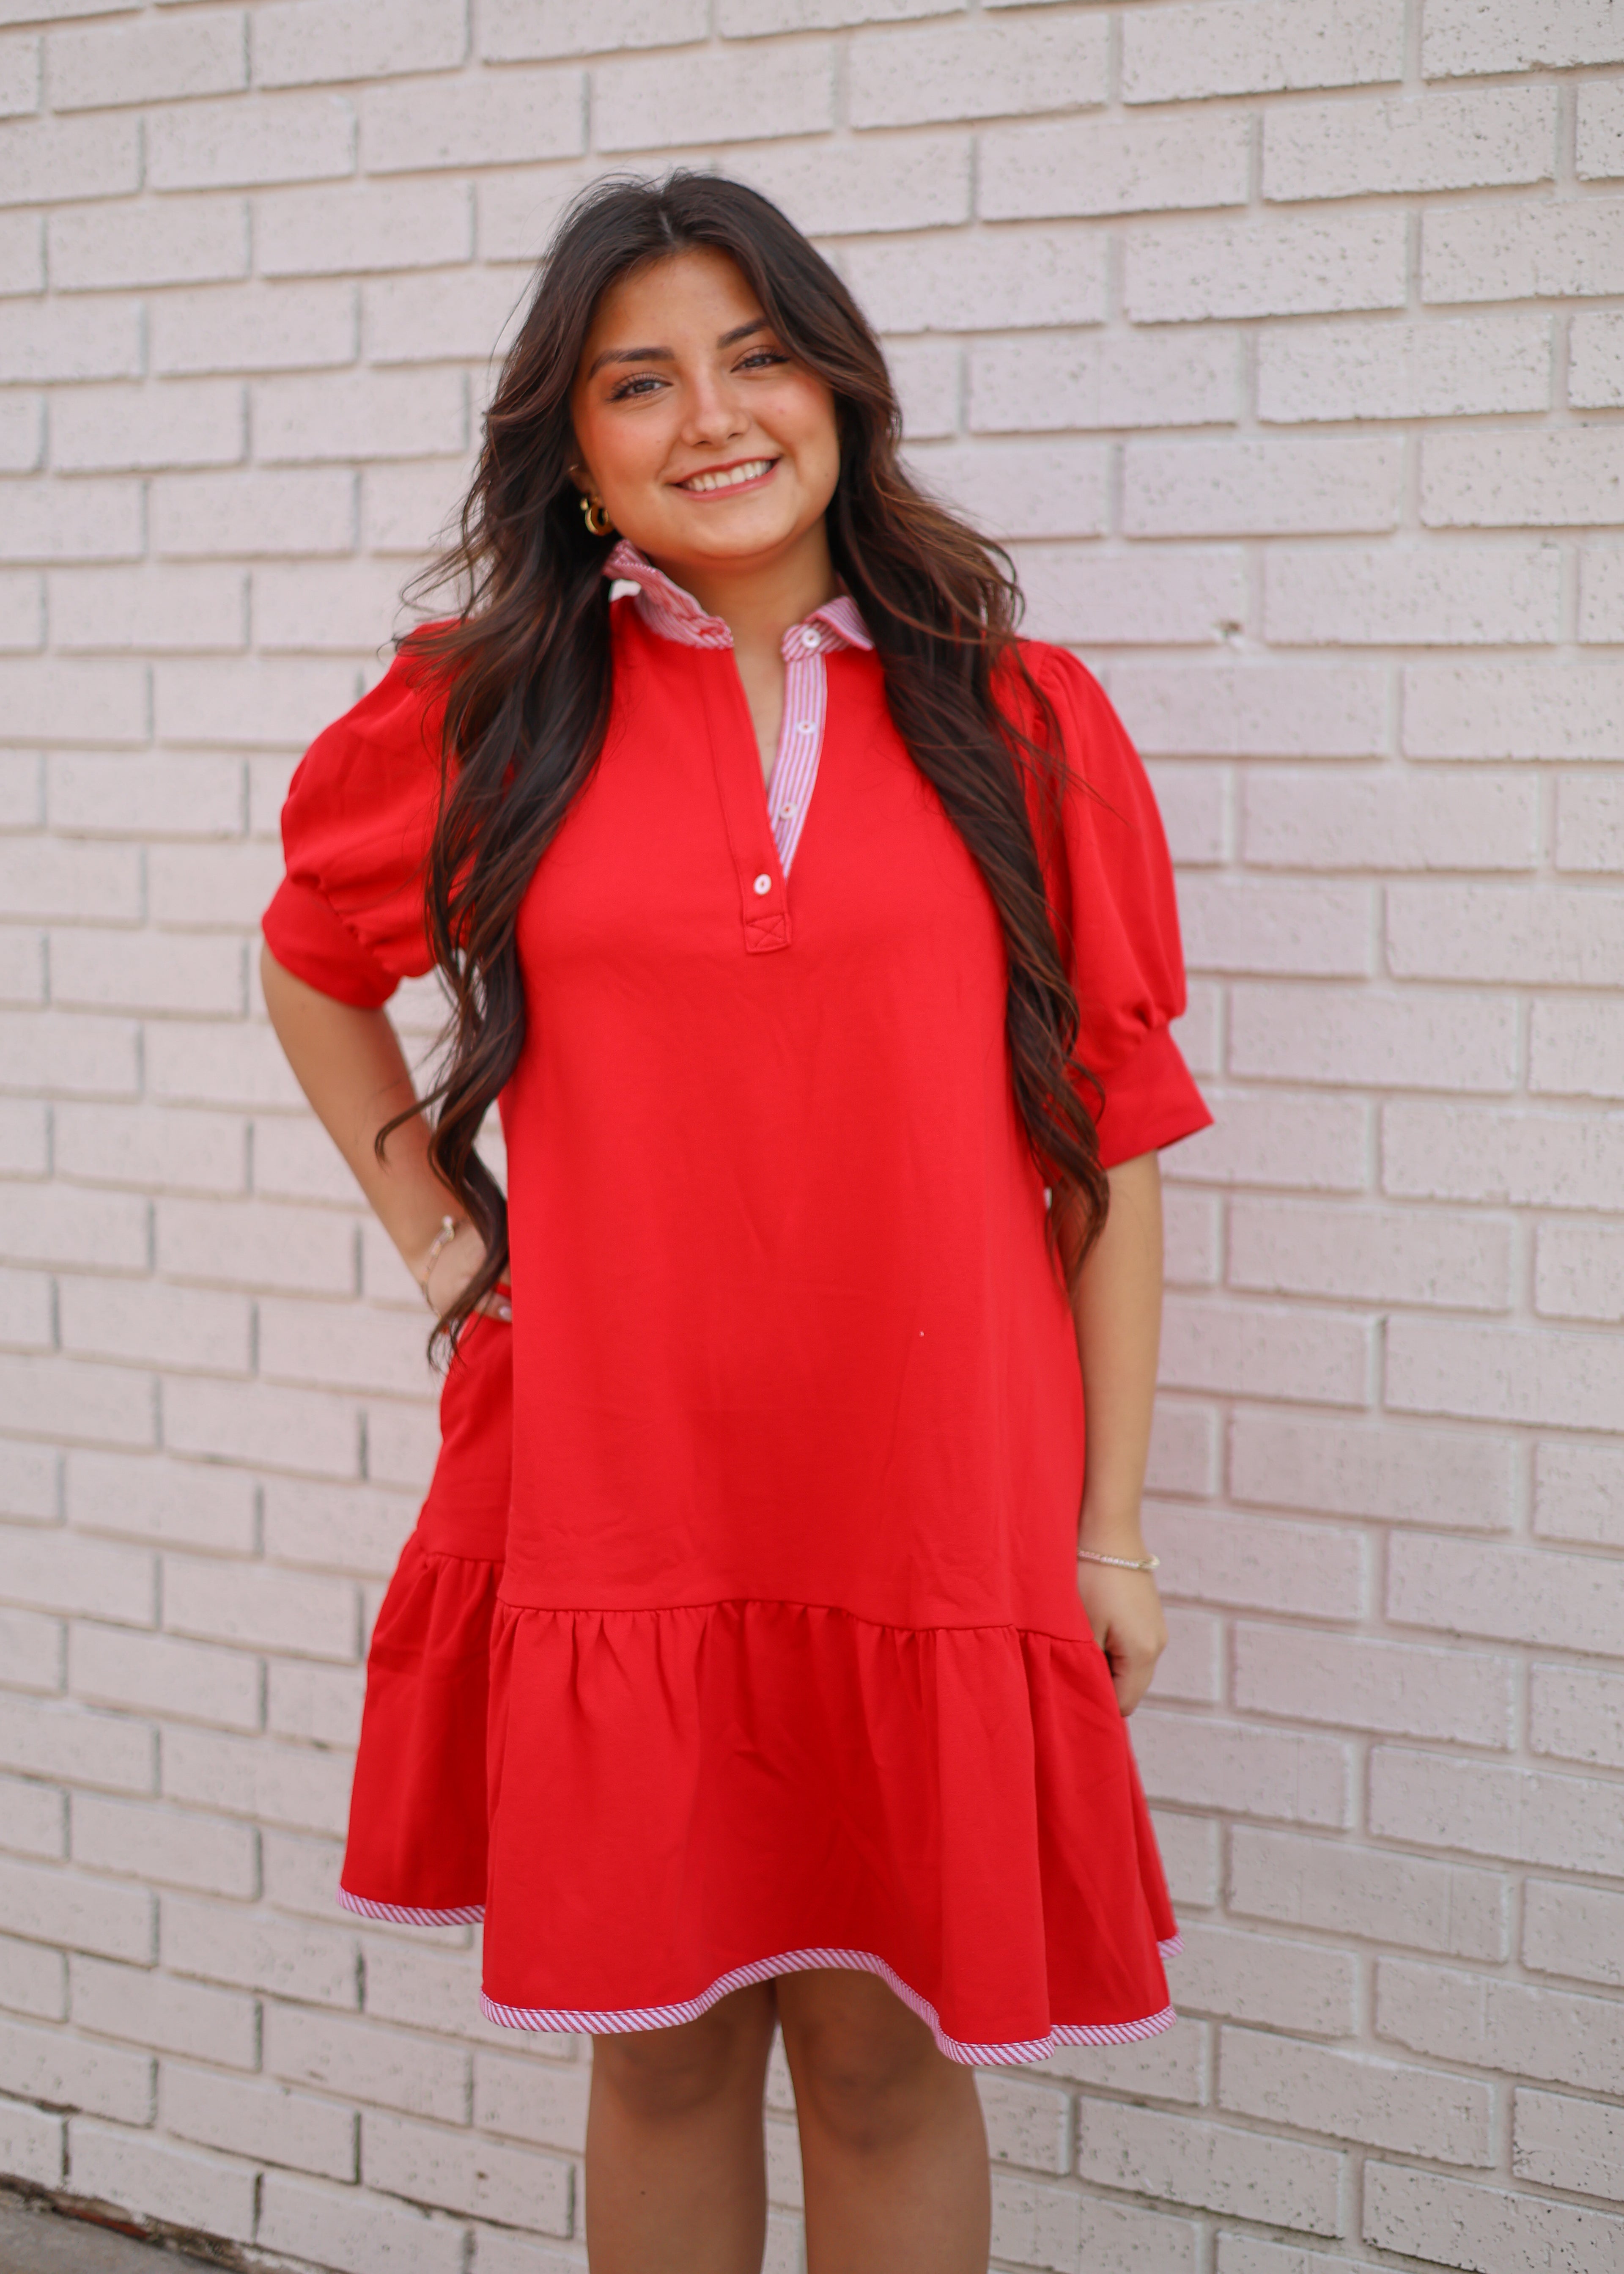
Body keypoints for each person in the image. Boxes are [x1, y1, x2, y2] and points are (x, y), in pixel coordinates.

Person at [261, 170, 1211, 2274]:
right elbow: (312, 961)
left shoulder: (1018, 716)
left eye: (758, 354)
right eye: (641, 379)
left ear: (840, 389)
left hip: (928, 1499)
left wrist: (1109, 1524)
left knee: (885, 2054)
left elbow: (1115, 1145)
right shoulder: (493, 709)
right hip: (618, 1493)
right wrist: (448, 1244)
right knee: (662, 2049)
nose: (714, 415)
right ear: (574, 451)